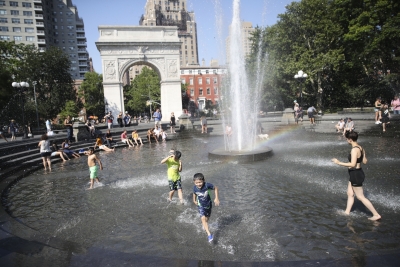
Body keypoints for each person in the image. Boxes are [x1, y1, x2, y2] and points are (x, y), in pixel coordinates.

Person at [331, 131, 381, 221]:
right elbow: (365, 161)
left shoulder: (354, 149)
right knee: (350, 193)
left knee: (360, 197)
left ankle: (376, 214)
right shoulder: (361, 147)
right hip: (356, 172)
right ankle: (347, 212)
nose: (346, 140)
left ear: (350, 140)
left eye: (347, 139)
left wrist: (338, 163)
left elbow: (353, 164)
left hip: (356, 173)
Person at [192, 173, 220, 242]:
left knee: (207, 219)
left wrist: (216, 198)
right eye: (196, 183)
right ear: (194, 182)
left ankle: (204, 225)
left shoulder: (207, 185)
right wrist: (194, 200)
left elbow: (216, 188)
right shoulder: (195, 188)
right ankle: (209, 234)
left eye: (200, 182)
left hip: (208, 204)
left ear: (203, 180)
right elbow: (194, 193)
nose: (198, 184)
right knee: (203, 218)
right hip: (200, 205)